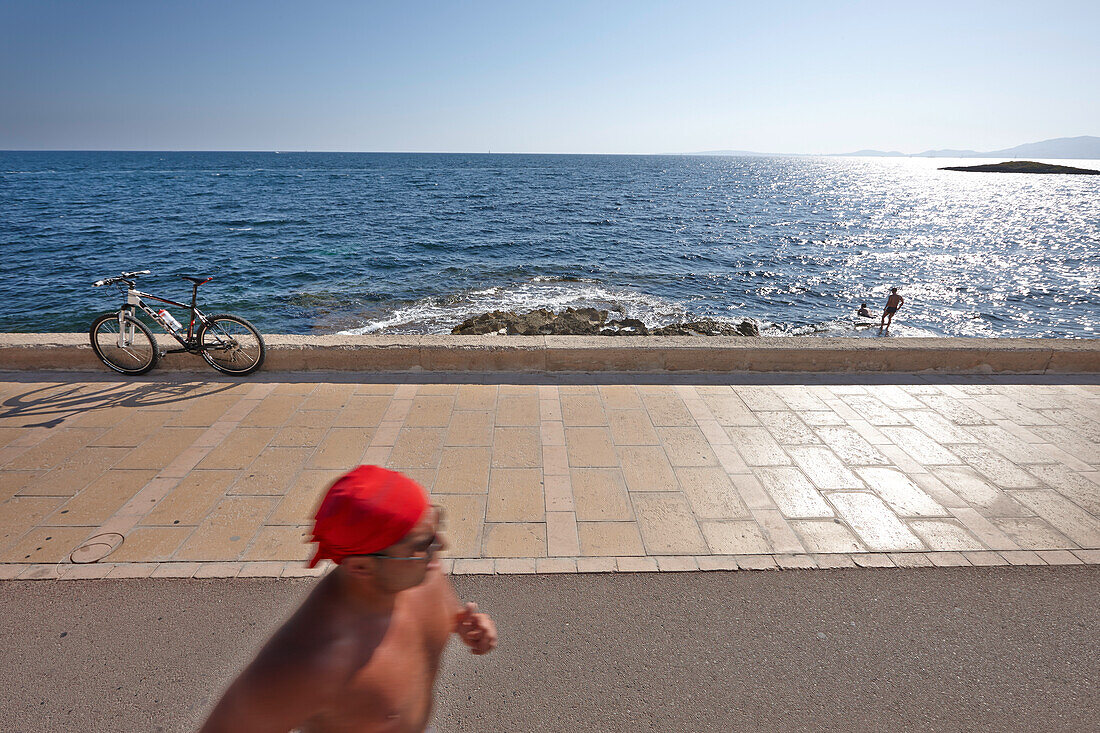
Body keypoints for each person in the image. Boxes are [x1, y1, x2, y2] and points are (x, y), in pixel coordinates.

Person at [200, 465, 497, 733]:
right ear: (360, 567)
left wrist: (464, 626)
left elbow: (439, 622)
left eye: (435, 528)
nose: (440, 547)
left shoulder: (423, 572)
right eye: (422, 544)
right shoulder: (308, 664)